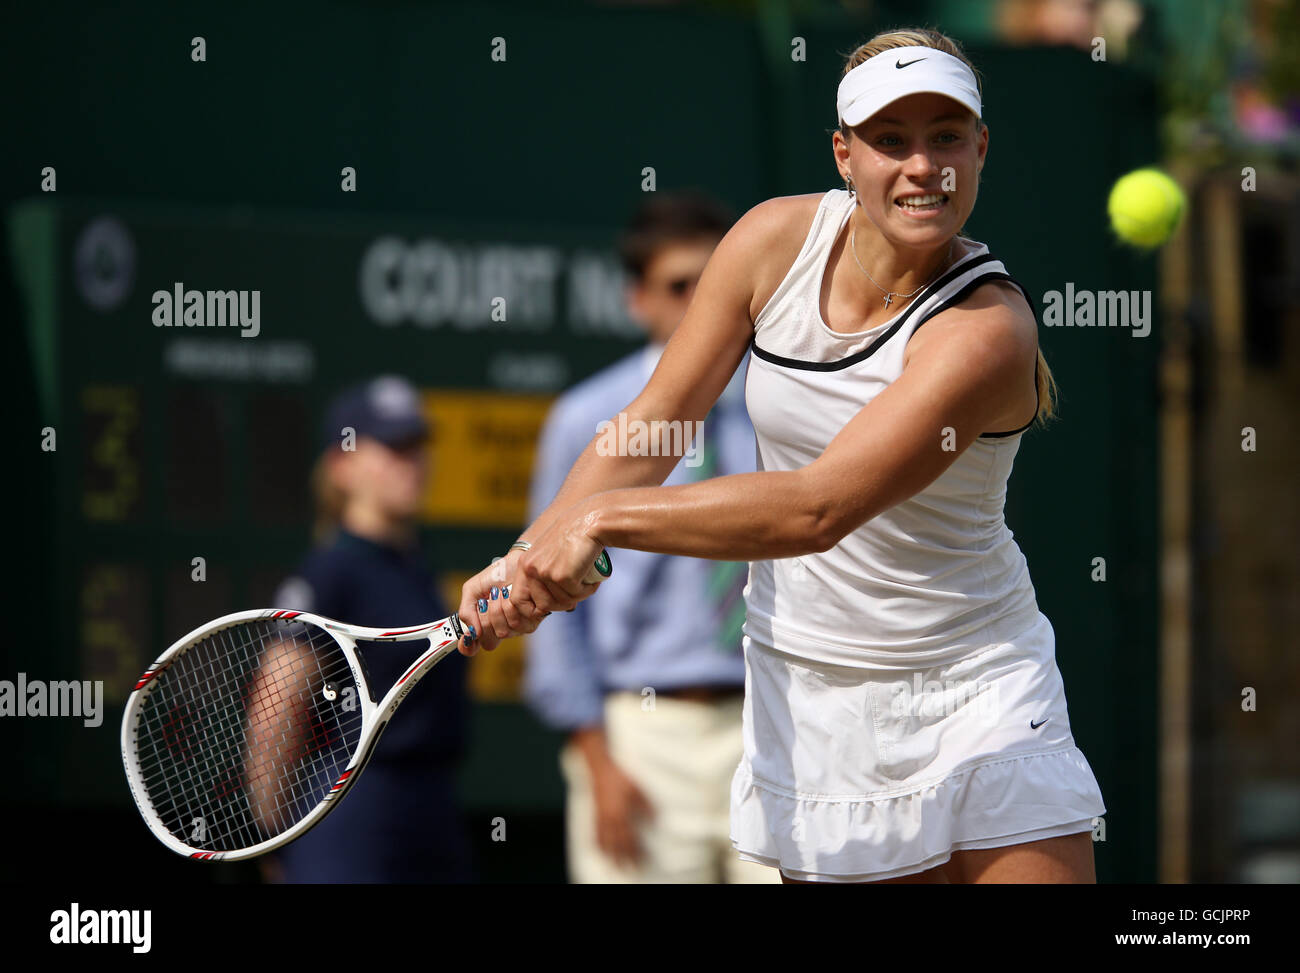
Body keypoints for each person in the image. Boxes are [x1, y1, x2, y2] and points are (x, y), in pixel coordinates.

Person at [457, 28, 1107, 884]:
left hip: (980, 687)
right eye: (890, 139)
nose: (922, 165)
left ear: (980, 149)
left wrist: (595, 519)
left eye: (946, 137)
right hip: (812, 707)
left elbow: (816, 507)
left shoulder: (988, 331)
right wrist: (528, 556)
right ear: (844, 154)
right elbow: (656, 419)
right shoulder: (770, 243)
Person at [524, 192, 778, 883]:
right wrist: (597, 758)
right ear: (637, 298)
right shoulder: (584, 417)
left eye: (714, 279)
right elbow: (546, 594)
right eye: (678, 284)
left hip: (776, 723)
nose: (700, 299)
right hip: (641, 734)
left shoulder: (784, 405)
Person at [267, 375, 472, 883]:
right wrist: (273, 833)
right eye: (394, 448)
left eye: (417, 447)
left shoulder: (415, 568)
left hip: (430, 809)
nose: (414, 462)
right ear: (343, 465)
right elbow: (278, 707)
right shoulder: (329, 572)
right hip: (348, 814)